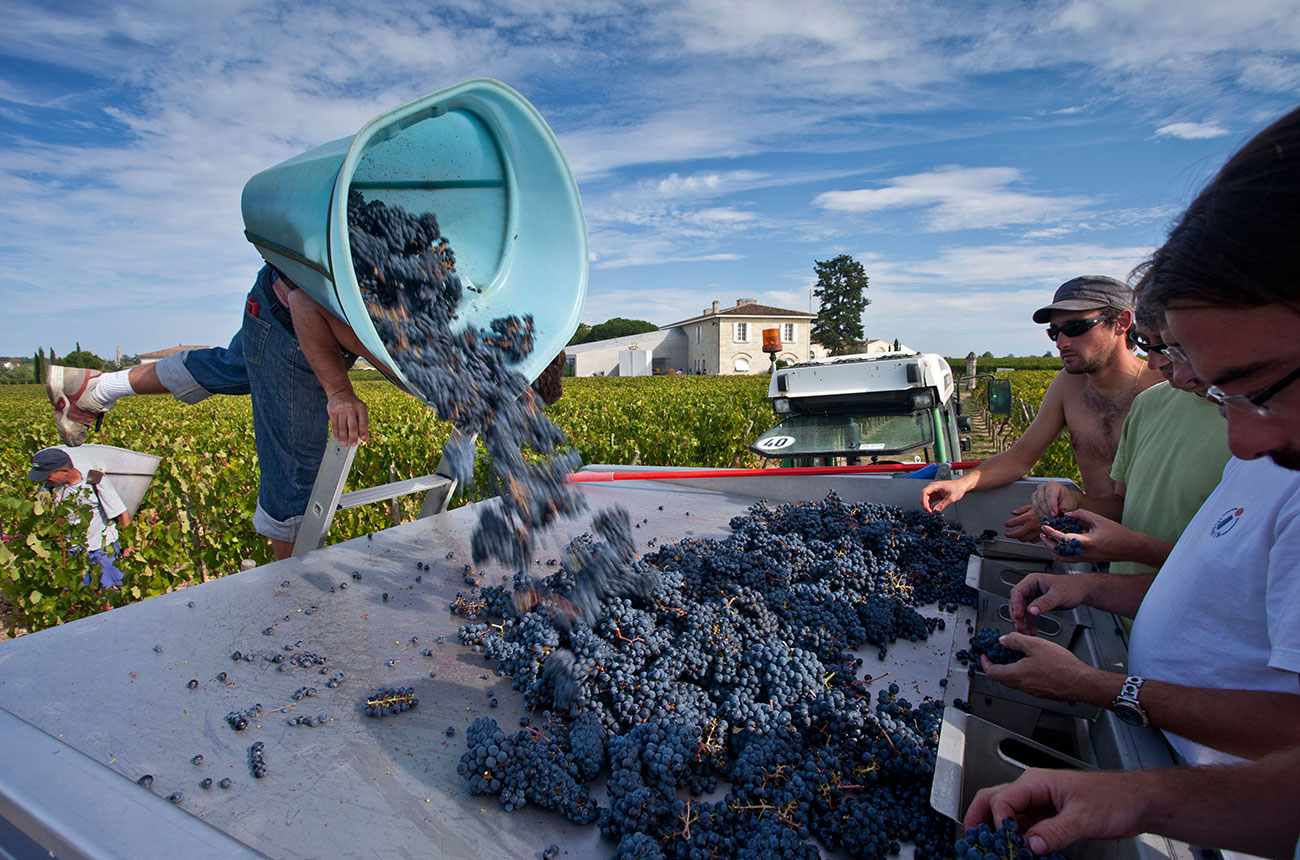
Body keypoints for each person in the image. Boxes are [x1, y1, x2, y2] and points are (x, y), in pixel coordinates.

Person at [964, 104, 1300, 859]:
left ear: (1119, 327)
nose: (1238, 435)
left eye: (1249, 387)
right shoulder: (1259, 451)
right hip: (1182, 770)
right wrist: (1089, 587)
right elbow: (1217, 586)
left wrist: (1107, 690)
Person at [45, 264, 377, 560]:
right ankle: (300, 596)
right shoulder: (408, 335)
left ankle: (96, 387)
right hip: (292, 315)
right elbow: (306, 304)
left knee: (237, 369)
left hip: (273, 293)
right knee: (295, 475)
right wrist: (339, 392)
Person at [920, 276, 1162, 539]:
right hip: (1095, 539)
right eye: (1054, 333)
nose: (1061, 343)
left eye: (1076, 328)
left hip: (1154, 546)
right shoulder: (1069, 385)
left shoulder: (1164, 390)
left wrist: (1071, 505)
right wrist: (962, 484)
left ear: (1122, 323)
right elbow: (1020, 457)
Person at [1029, 303, 1230, 575]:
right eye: (1148, 344)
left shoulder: (1263, 430)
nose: (1155, 362)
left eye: (1176, 346)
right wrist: (1075, 502)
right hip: (1126, 611)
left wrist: (1130, 549)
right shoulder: (1148, 404)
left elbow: (1234, 574)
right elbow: (1123, 506)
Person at [25, 447, 131, 588]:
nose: (44, 480)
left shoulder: (95, 481)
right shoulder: (49, 488)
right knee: (77, 594)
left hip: (102, 549)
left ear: (64, 471)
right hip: (71, 552)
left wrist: (129, 546)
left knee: (108, 592)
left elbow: (122, 513)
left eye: (47, 475)